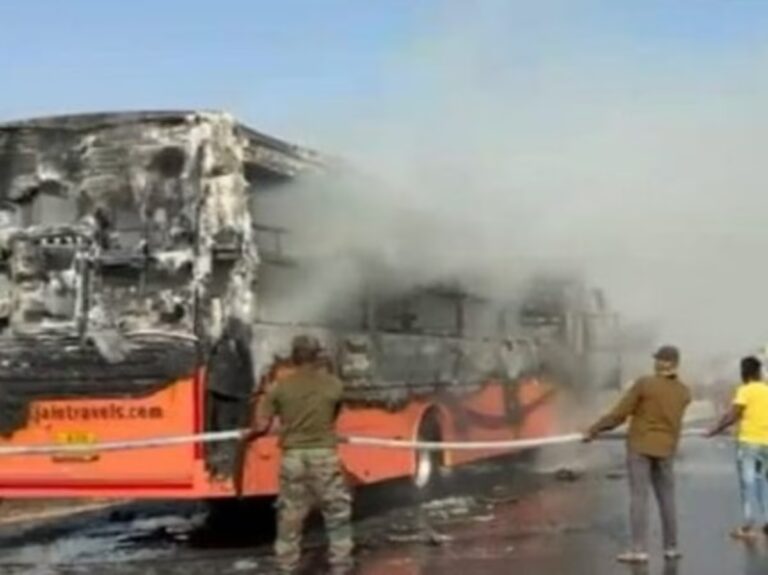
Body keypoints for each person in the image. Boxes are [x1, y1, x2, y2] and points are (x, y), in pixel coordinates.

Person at [248, 335, 353, 574]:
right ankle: (341, 562)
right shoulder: (334, 385)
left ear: (293, 358)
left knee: (290, 512)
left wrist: (248, 437)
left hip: (293, 457)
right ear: (317, 357)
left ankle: (287, 564)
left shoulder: (279, 388)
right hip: (324, 455)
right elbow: (334, 415)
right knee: (336, 510)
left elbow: (261, 425)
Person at [583, 345, 692, 564]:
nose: (655, 362)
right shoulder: (683, 392)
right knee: (667, 499)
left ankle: (639, 549)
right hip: (667, 448)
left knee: (639, 498)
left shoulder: (645, 384)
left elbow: (619, 414)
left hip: (640, 447)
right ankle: (671, 547)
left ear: (665, 363)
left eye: (658, 359)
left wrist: (594, 429)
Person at [706, 355, 768, 539]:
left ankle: (749, 525)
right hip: (766, 443)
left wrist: (715, 429)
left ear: (744, 372)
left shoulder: (745, 391)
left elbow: (733, 415)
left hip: (749, 442)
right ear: (759, 372)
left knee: (747, 483)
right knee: (763, 482)